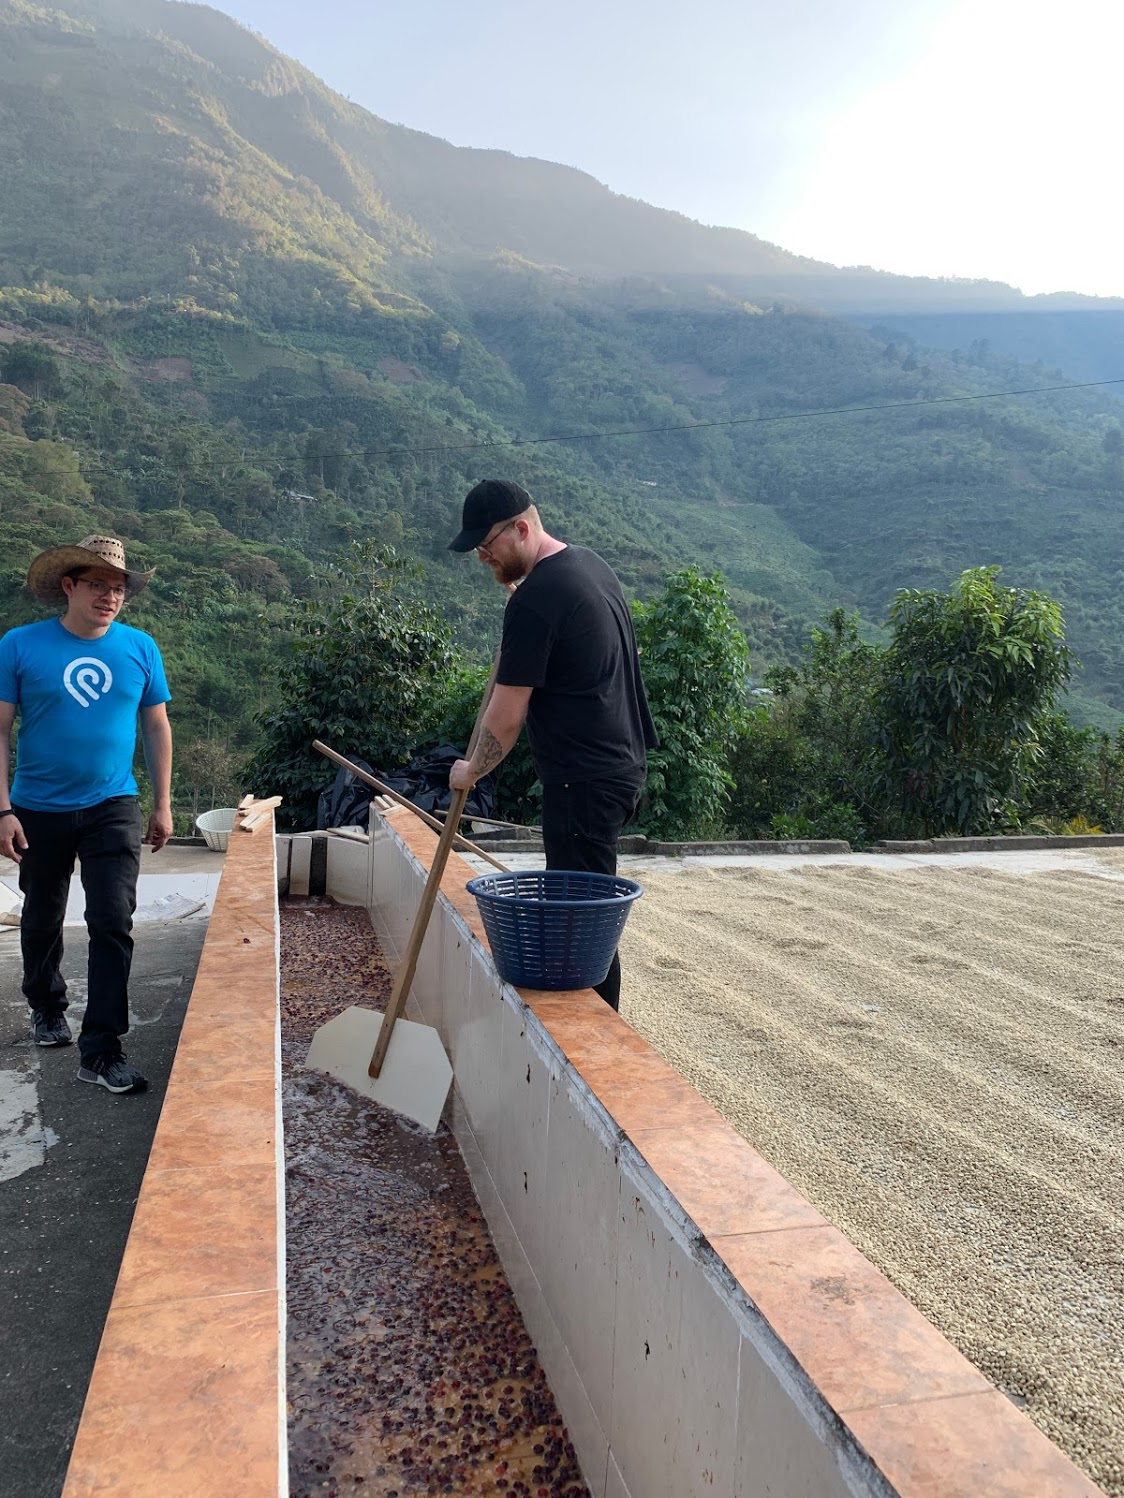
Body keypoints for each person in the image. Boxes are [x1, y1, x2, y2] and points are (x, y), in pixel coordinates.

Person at [448, 479, 657, 1010]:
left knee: (582, 920)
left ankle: (597, 1040)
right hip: (621, 767)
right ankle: (593, 1023)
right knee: (585, 905)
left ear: (521, 527)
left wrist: (471, 770)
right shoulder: (585, 565)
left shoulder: (537, 600)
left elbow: (507, 715)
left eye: (487, 546)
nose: (483, 558)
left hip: (583, 780)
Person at [0, 536, 173, 1094]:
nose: (109, 596)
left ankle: (102, 1049)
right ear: (69, 587)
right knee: (44, 913)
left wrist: (164, 804)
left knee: (112, 920)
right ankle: (47, 1004)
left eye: (118, 588)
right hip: (37, 807)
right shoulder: (20, 646)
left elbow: (156, 727)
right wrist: (2, 809)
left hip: (113, 805)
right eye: (97, 584)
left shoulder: (141, 648)